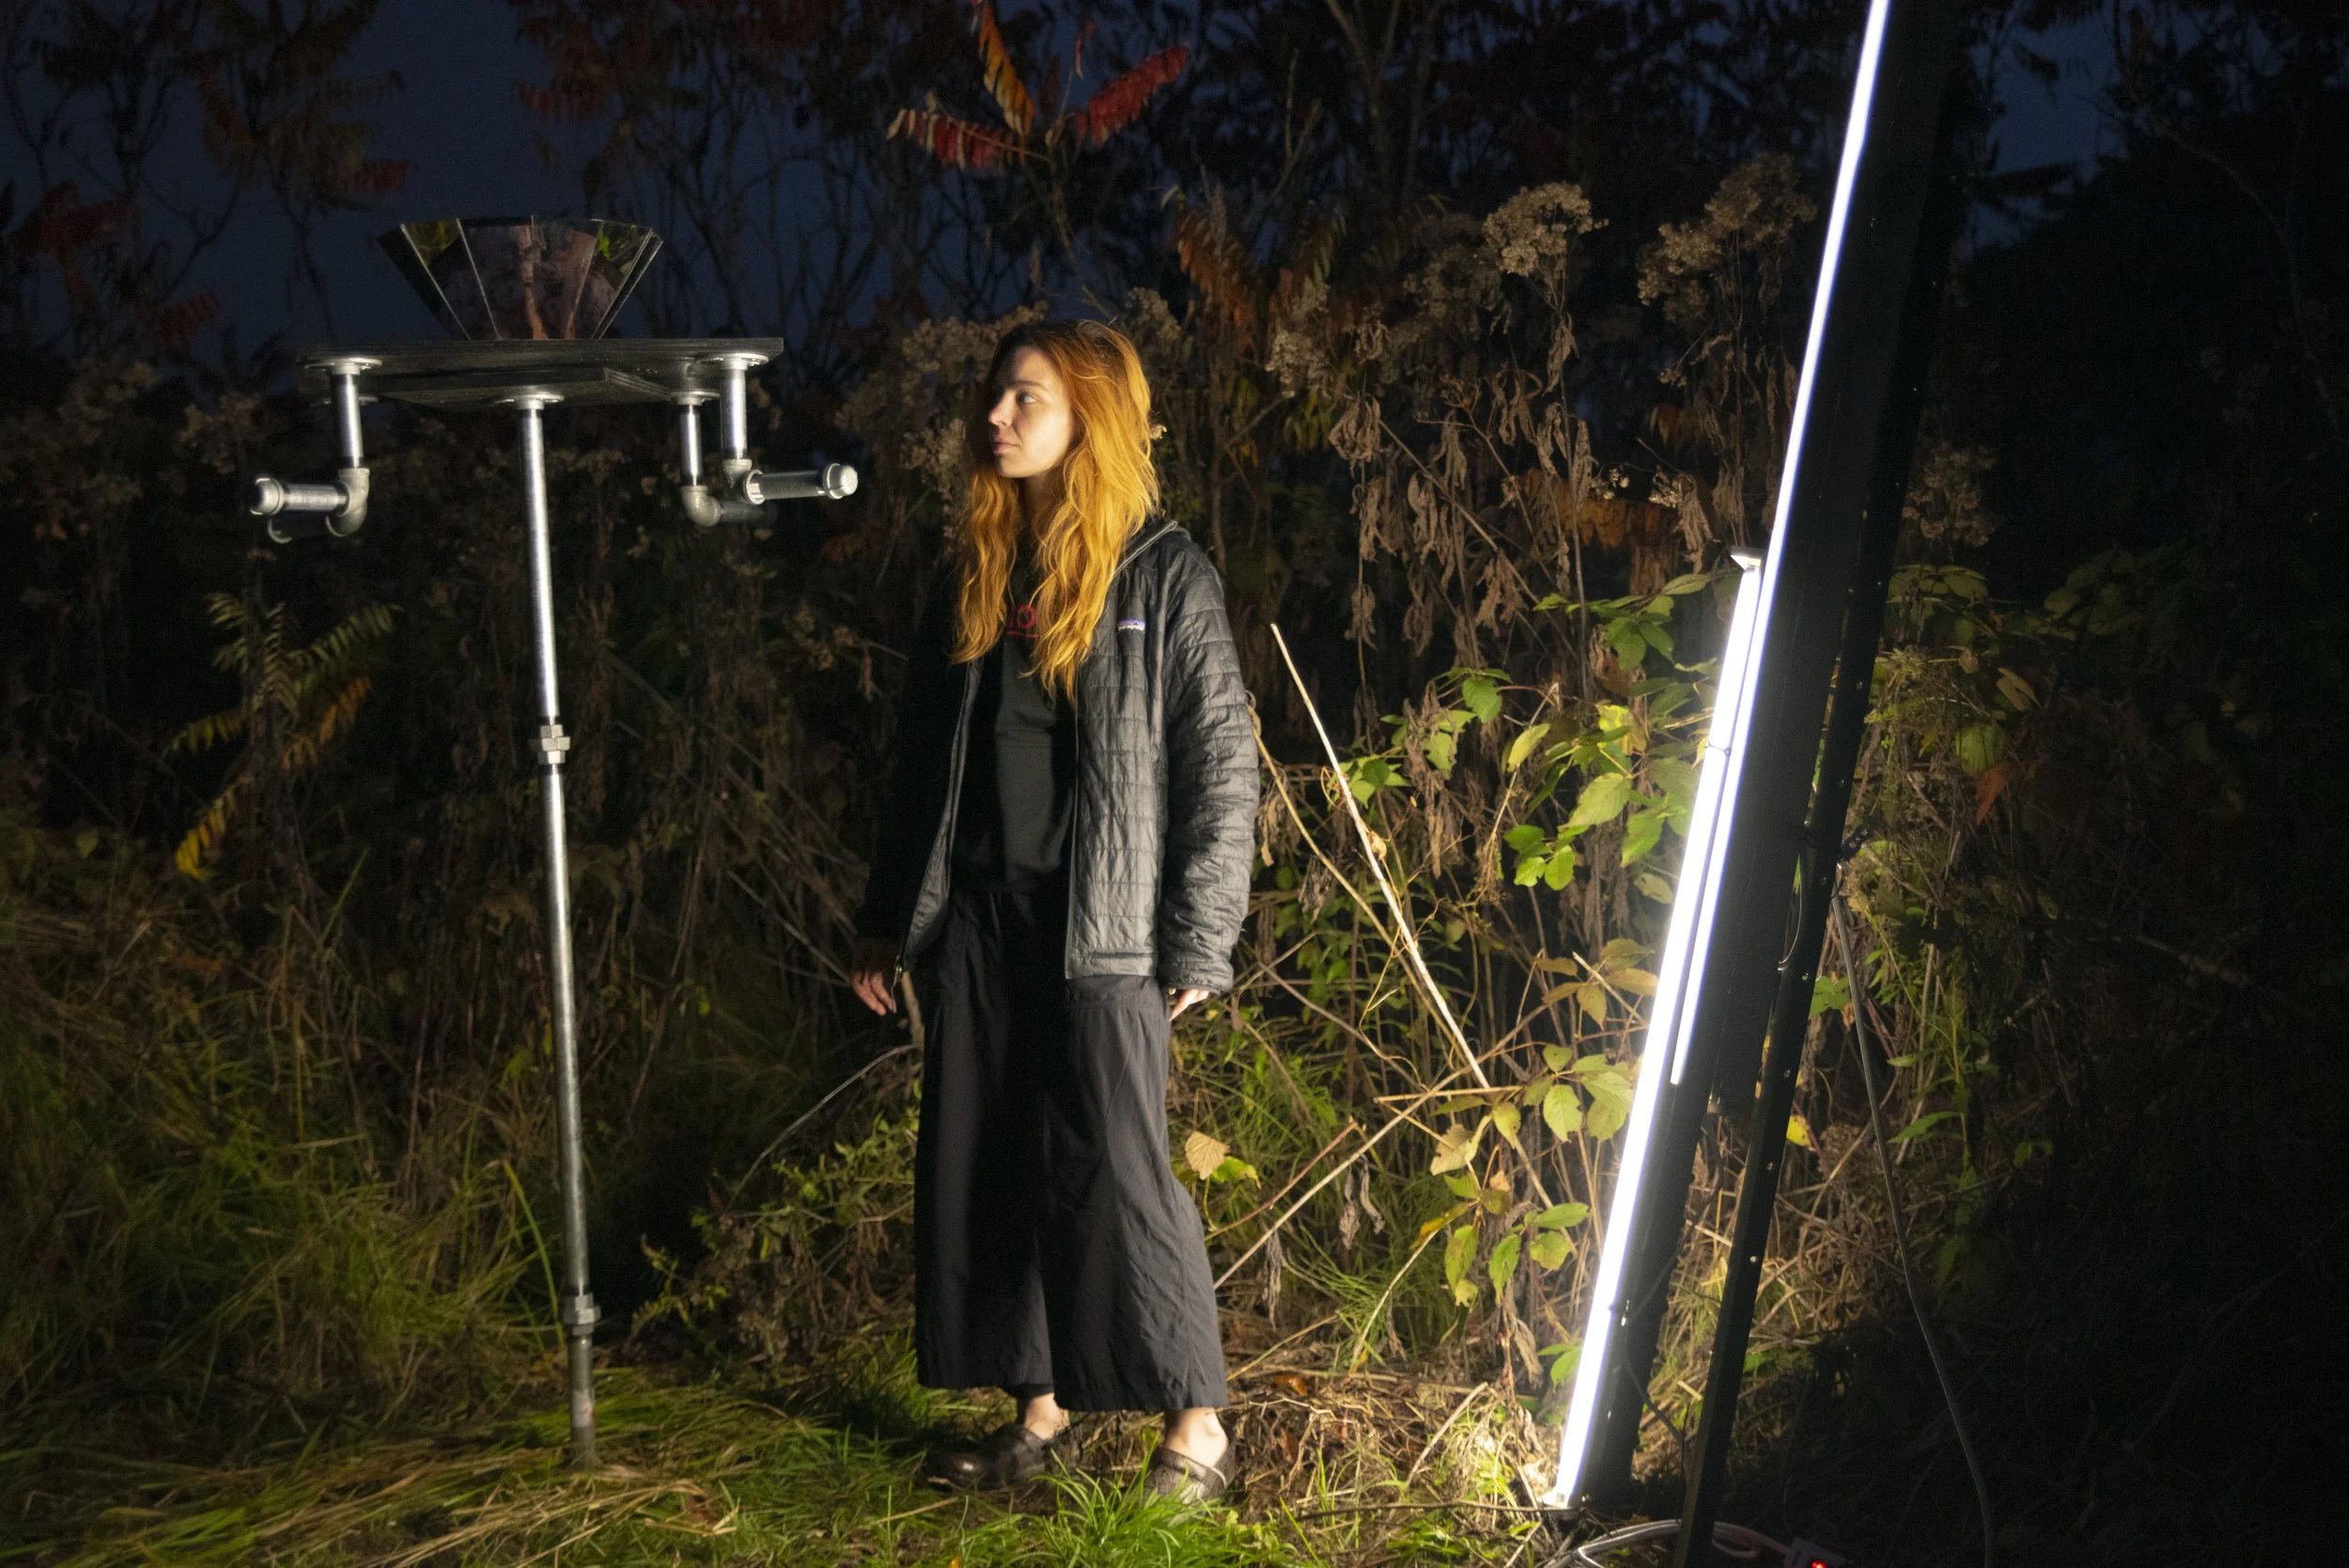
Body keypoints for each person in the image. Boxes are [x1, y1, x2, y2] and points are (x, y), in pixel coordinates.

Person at [848, 319, 1258, 1504]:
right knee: (996, 1163)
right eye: (995, 397)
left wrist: (1197, 938)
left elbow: (1220, 765)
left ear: (1092, 416)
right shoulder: (976, 570)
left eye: (1025, 398)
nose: (996, 417)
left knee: (1119, 1169)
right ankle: (1041, 1408)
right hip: (979, 919)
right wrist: (888, 914)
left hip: (1105, 932)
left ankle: (1198, 1431)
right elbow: (919, 762)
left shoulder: (1161, 571)